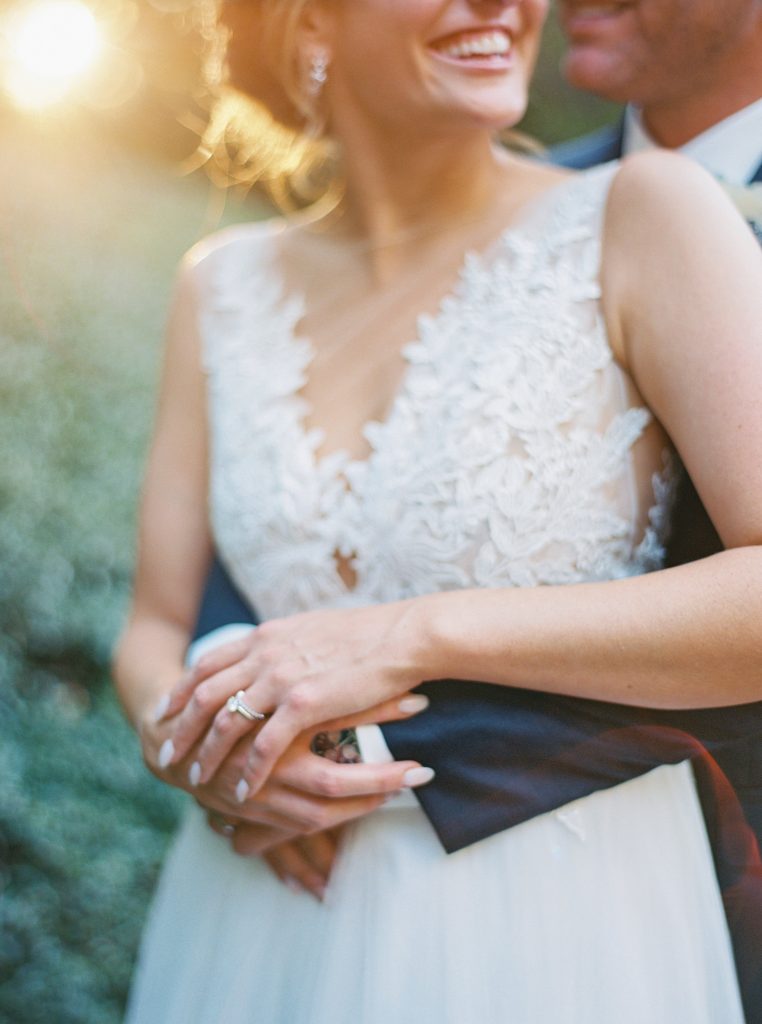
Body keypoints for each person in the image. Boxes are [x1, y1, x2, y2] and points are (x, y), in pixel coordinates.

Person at [113, 1, 762, 1021]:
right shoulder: (221, 286)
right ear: (311, 28)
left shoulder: (644, 213)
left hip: (558, 917)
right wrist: (195, 748)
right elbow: (156, 621)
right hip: (258, 908)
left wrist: (409, 634)